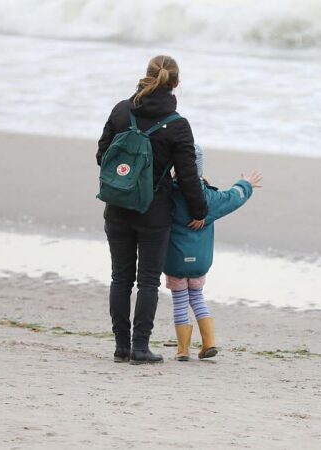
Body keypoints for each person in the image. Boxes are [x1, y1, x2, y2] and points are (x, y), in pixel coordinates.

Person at [97, 55, 207, 365]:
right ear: (176, 83)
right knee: (147, 281)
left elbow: (102, 156)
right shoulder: (178, 126)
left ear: (146, 76)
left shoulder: (121, 110)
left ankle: (121, 347)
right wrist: (199, 211)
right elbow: (187, 177)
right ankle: (140, 348)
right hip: (154, 213)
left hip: (117, 207)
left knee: (120, 278)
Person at [164, 145, 262, 361]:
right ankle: (209, 343)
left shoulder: (168, 195)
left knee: (180, 301)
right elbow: (233, 197)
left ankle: (182, 350)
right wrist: (246, 183)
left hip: (175, 261)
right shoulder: (209, 198)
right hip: (200, 261)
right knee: (197, 298)